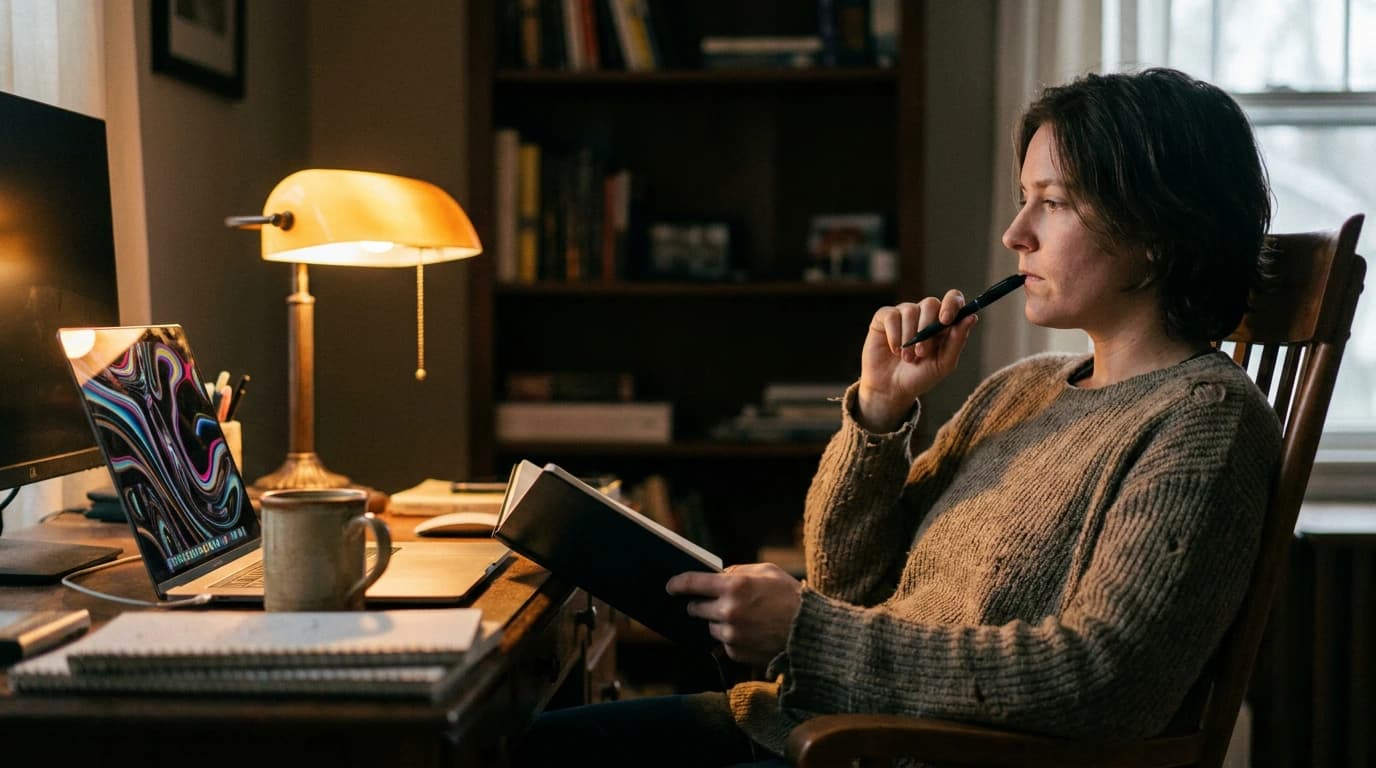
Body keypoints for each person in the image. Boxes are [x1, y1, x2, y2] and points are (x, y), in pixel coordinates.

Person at [513, 66, 1281, 768]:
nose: (1015, 234)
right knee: (528, 745)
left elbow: (1105, 681)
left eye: (1052, 202)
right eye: (1023, 200)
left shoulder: (1204, 424)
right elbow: (851, 581)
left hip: (898, 752)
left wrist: (806, 634)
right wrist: (880, 414)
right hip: (822, 728)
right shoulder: (1023, 389)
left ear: (1153, 234)